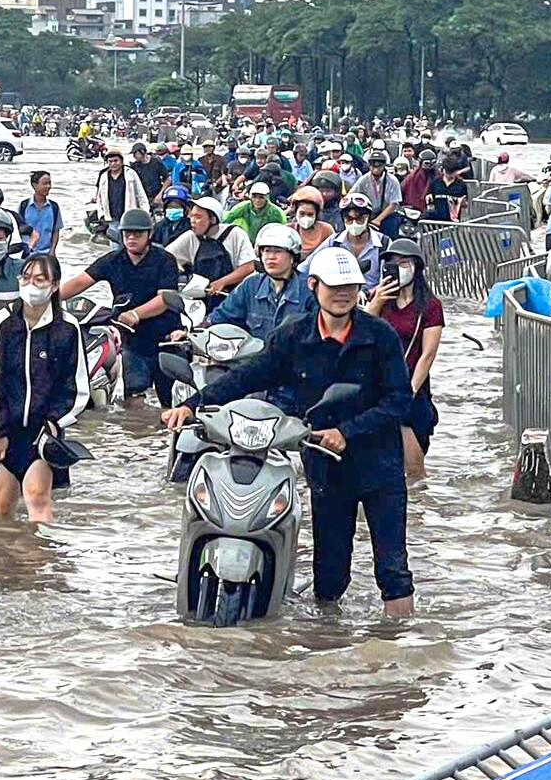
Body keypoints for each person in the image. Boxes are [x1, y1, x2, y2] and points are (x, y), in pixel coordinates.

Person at [162, 247, 415, 617]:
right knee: (328, 576)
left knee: (392, 569)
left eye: (350, 286)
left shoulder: (380, 336)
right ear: (314, 285)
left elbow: (399, 400)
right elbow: (250, 374)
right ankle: (327, 641)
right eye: (333, 286)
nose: (342, 293)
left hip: (379, 465)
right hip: (325, 468)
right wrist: (193, 404)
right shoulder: (293, 335)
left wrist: (346, 431)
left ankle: (402, 649)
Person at [0, 253, 88, 523]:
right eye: (26, 278)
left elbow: (75, 386)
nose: (31, 285)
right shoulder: (1, 322)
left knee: (38, 500)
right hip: (3, 431)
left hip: (42, 433)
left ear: (54, 284)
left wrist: (54, 423)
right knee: (2, 506)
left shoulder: (67, 328)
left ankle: (45, 561)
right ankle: (5, 563)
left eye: (40, 279)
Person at [59, 209, 180, 406]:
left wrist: (136, 313)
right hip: (133, 341)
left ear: (149, 235)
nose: (132, 237)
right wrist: (44, 300)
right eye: (127, 233)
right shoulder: (112, 261)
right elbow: (79, 283)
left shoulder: (165, 260)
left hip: (165, 340)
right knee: (134, 402)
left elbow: (164, 299)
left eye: (138, 233)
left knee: (169, 401)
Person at [366, 239, 444, 479]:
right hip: (379, 385)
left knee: (413, 467)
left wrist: (408, 391)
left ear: (416, 267)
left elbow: (428, 354)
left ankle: (418, 513)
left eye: (404, 263)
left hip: (412, 387)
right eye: (392, 263)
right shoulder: (380, 299)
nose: (397, 267)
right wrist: (376, 302)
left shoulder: (430, 306)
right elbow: (360, 332)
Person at [204, 223, 315, 341]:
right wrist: (198, 329)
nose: (271, 257)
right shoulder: (251, 286)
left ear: (293, 256)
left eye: (278, 251)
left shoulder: (310, 289)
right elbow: (222, 316)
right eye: (266, 251)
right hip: (257, 357)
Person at [165, 196, 258, 294]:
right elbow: (165, 256)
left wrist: (222, 282)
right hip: (201, 295)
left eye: (198, 217)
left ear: (213, 220)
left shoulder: (235, 233)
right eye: (191, 216)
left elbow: (248, 267)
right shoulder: (191, 236)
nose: (192, 221)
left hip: (234, 294)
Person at [301, 192, 387, 288]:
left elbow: (388, 279)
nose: (354, 223)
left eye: (359, 219)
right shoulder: (333, 242)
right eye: (349, 219)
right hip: (340, 295)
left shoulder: (384, 243)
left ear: (368, 218)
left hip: (375, 297)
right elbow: (306, 266)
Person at [351, 152, 404, 237]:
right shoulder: (363, 180)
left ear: (384, 166)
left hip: (387, 215)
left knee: (390, 228)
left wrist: (378, 220)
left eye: (379, 166)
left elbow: (393, 204)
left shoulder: (392, 181)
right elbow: (352, 195)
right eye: (373, 166)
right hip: (368, 214)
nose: (376, 168)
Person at [222, 180, 287, 242]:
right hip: (248, 241)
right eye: (254, 197)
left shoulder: (275, 212)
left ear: (267, 197)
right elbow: (227, 218)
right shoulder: (244, 207)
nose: (257, 200)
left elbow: (281, 232)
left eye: (261, 197)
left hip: (267, 242)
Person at [18, 170, 63, 256]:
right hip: (27, 254)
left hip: (46, 254)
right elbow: (17, 229)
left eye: (50, 183)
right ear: (34, 185)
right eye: (45, 183)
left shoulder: (54, 207)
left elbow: (56, 231)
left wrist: (52, 251)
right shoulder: (24, 206)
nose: (49, 186)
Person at [92, 148, 137, 220]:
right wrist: (101, 214)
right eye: (110, 161)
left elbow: (140, 195)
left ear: (121, 161)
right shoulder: (104, 176)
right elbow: (100, 198)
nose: (113, 164)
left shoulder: (130, 174)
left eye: (116, 161)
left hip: (129, 217)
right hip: (111, 217)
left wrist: (144, 213)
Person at [286, 186, 334, 255]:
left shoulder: (326, 230)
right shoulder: (289, 230)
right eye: (302, 213)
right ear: (296, 212)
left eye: (310, 214)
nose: (305, 218)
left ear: (316, 215)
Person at [424, 154, 469, 222]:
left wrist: (462, 202)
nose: (450, 175)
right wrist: (428, 198)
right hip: (435, 221)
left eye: (452, 172)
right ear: (443, 170)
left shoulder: (461, 185)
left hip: (453, 222)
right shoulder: (434, 183)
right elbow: (429, 198)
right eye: (448, 172)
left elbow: (465, 204)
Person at [127, 142, 167, 207]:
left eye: (135, 153)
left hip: (156, 196)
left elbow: (167, 179)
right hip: (142, 198)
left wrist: (160, 194)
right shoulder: (135, 166)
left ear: (142, 152)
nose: (134, 156)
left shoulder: (156, 162)